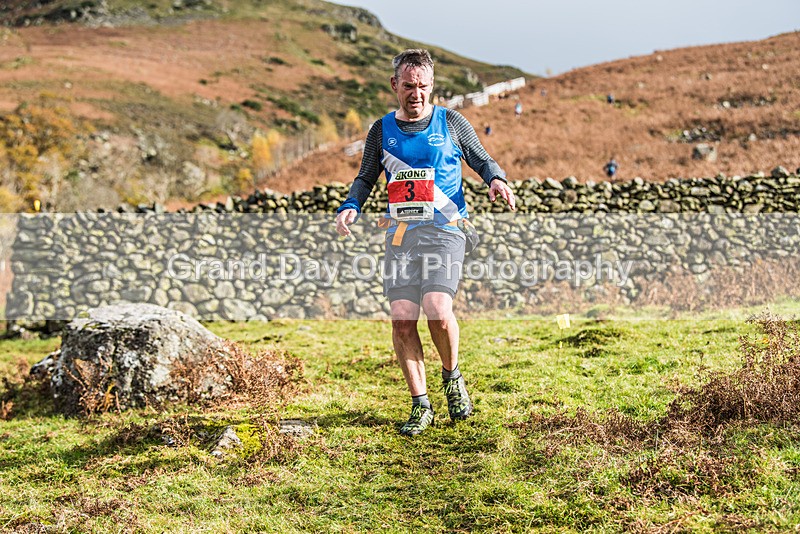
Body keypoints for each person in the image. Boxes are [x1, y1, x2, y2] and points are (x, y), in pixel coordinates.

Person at [335, 49, 515, 436]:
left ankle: (452, 379)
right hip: (400, 234)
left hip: (446, 230)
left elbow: (481, 159)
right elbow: (365, 178)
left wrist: (496, 179)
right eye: (409, 85)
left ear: (431, 87)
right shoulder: (381, 130)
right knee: (402, 319)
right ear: (394, 85)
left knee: (436, 307)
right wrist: (351, 205)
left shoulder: (451, 122)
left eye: (423, 86)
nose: (416, 93)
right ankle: (420, 405)